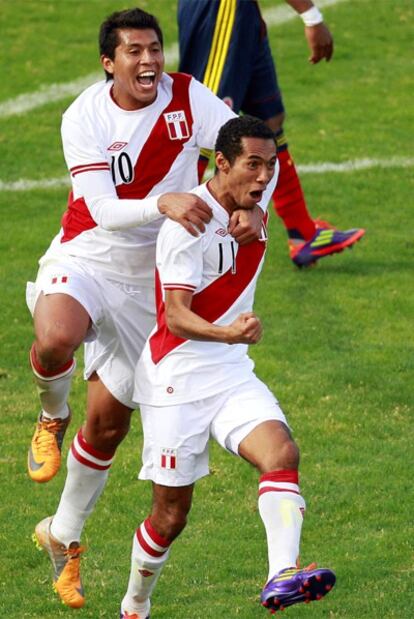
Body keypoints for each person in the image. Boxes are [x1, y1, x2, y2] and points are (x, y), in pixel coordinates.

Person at [29, 7, 274, 609]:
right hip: (88, 253)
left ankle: (64, 537)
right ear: (108, 63)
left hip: (152, 281)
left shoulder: (189, 98)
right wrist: (163, 202)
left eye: (155, 49)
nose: (149, 61)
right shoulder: (84, 116)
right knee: (57, 336)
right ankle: (50, 415)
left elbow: (243, 146)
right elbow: (105, 209)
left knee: (110, 427)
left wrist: (254, 204)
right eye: (134, 52)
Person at [120, 116, 335, 619]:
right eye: (253, 166)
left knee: (281, 452)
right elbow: (174, 315)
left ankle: (281, 574)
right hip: (176, 377)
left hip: (231, 372)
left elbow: (258, 192)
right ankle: (134, 605)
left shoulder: (252, 199)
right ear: (222, 163)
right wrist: (229, 332)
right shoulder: (186, 223)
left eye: (270, 166)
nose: (263, 177)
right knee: (170, 516)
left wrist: (257, 214)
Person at [177, 0, 365, 267]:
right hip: (220, 10)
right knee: (204, 125)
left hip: (241, 13)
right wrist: (310, 16)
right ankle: (169, 235)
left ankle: (303, 233)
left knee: (268, 120)